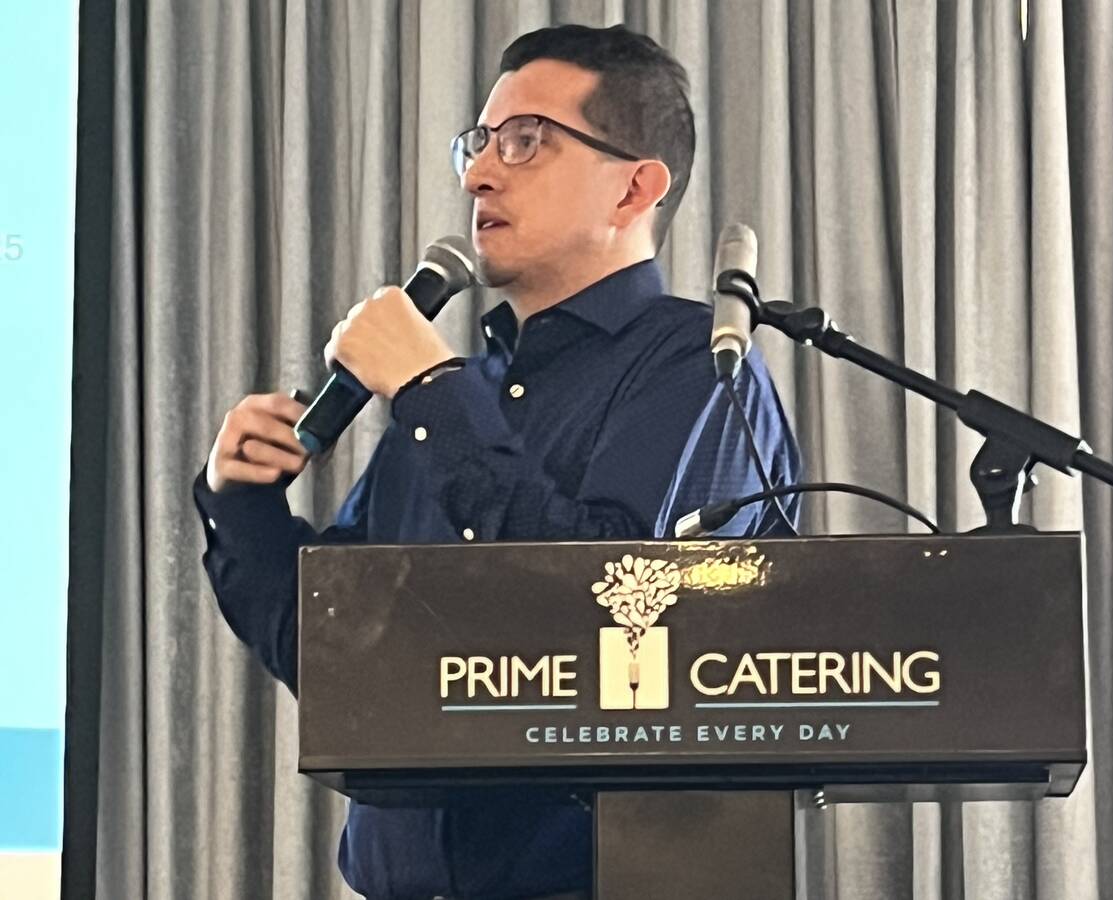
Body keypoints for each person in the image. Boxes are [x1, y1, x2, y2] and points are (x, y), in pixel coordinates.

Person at [194, 23, 800, 900]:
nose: (479, 174)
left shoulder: (697, 368)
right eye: (478, 144)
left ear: (636, 187)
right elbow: (336, 655)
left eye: (527, 143)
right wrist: (240, 504)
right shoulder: (452, 398)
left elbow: (609, 614)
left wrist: (432, 391)